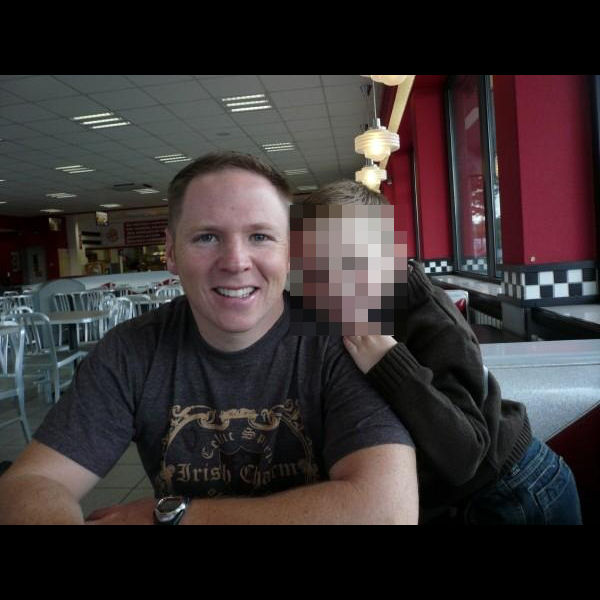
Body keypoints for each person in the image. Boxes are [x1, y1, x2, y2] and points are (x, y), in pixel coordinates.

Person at [0, 154, 418, 525]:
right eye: (207, 237)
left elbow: (388, 511)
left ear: (290, 251)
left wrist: (175, 516)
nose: (235, 262)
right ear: (170, 251)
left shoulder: (339, 338)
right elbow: (30, 482)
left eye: (260, 236)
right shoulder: (130, 351)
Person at [295, 179, 583, 525]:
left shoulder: (426, 313)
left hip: (518, 489)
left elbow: (464, 454)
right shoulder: (350, 311)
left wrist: (389, 363)